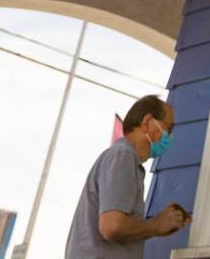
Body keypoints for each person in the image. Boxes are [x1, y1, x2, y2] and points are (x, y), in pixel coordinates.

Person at [65, 95, 191, 258]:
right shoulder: (122, 157)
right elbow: (112, 226)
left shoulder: (126, 160)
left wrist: (159, 225)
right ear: (148, 122)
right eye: (169, 128)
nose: (170, 136)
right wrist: (156, 225)